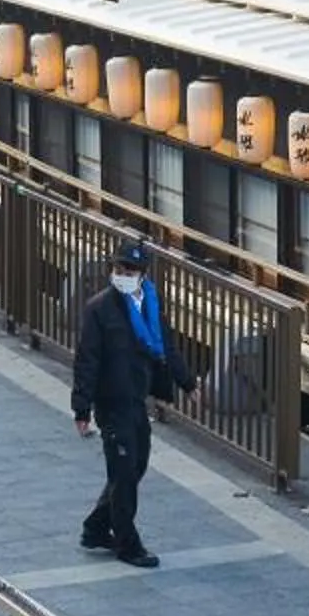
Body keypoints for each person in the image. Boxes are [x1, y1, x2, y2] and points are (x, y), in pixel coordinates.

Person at [73, 240, 194, 568]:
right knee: (124, 472)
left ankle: (96, 527)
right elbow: (87, 360)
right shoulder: (99, 309)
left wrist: (188, 383)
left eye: (130, 270)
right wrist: (81, 408)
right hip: (112, 403)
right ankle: (128, 543)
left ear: (142, 275)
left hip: (136, 400)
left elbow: (166, 348)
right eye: (118, 268)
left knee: (136, 465)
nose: (123, 274)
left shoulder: (150, 305)